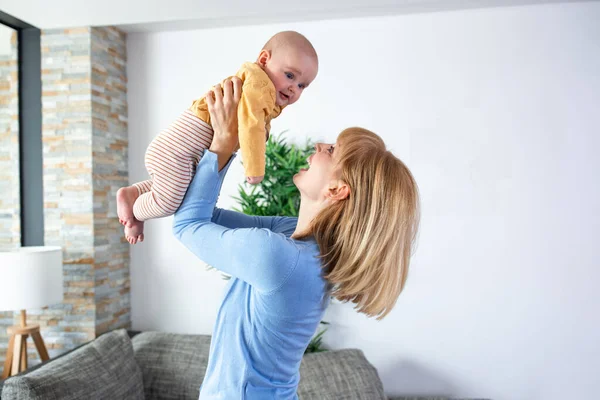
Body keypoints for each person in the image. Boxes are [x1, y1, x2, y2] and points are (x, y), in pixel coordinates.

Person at [173, 78, 420, 399]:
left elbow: (188, 224)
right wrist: (237, 141)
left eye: (330, 151)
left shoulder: (281, 257)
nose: (318, 147)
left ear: (336, 190)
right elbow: (208, 216)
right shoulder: (292, 238)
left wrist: (223, 143)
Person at [117, 31, 319, 244]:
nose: (293, 88)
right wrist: (255, 168)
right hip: (177, 149)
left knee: (177, 189)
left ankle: (133, 194)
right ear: (263, 60)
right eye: (289, 75)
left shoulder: (259, 88)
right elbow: (251, 127)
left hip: (179, 149)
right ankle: (135, 214)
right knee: (169, 202)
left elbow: (256, 123)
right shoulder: (259, 86)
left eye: (302, 85)